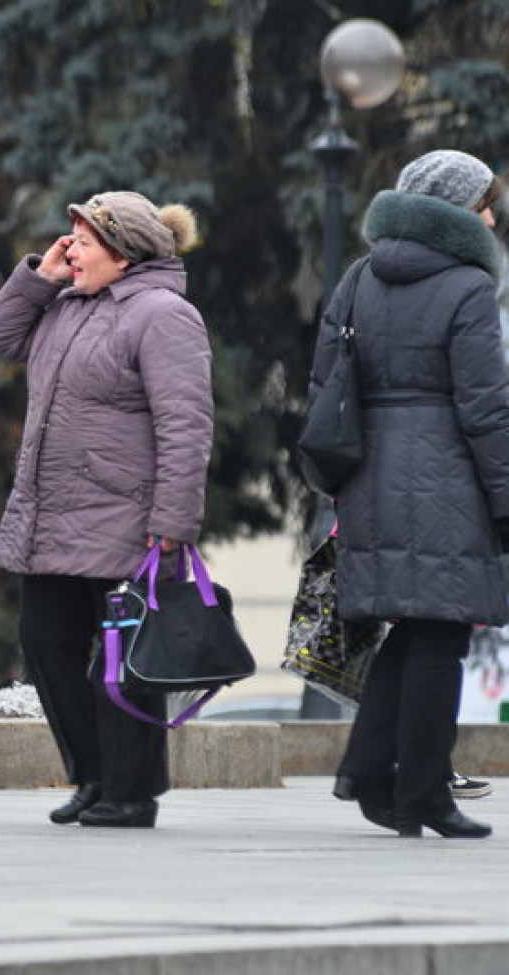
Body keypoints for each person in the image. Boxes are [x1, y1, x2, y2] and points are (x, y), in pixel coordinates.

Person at [0, 192, 212, 828]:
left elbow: (186, 425)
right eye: (70, 239)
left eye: (81, 240)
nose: (70, 250)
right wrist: (37, 279)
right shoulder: (64, 308)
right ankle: (93, 775)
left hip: (127, 521)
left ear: (122, 252)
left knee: (122, 661)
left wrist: (174, 521)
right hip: (53, 516)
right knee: (44, 641)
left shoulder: (165, 315)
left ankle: (130, 791)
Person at [312, 149, 508, 839]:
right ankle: (422, 792)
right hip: (447, 473)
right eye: (484, 203)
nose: (491, 217)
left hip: (370, 473)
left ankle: (367, 769)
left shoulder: (361, 276)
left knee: (417, 624)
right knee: (441, 633)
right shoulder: (468, 286)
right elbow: (486, 405)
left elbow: (325, 382)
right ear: (454, 208)